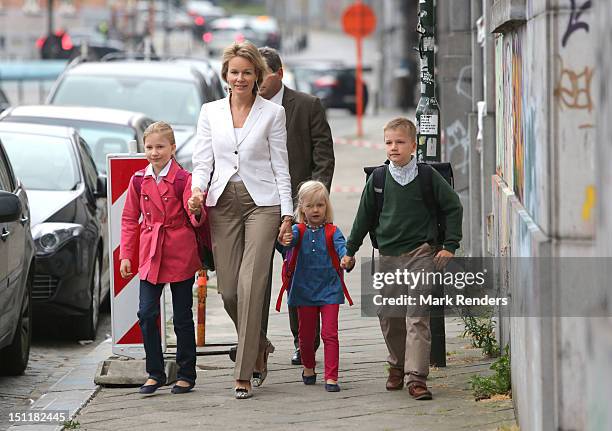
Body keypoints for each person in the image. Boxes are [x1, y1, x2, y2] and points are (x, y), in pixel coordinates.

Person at [188, 41, 293, 399]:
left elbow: (281, 165)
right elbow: (202, 161)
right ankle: (259, 344)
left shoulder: (272, 114)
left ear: (257, 75)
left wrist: (288, 213)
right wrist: (198, 190)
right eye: (235, 72)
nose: (241, 77)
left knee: (252, 285)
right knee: (230, 290)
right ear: (226, 75)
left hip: (262, 204)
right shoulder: (210, 112)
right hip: (222, 204)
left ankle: (244, 371)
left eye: (248, 72)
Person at [341, 117, 463, 400]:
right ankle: (397, 365)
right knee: (390, 316)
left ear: (413, 145)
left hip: (421, 253)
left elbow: (453, 206)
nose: (393, 148)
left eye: (399, 142)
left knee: (416, 316)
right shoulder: (379, 180)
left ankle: (416, 377)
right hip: (388, 256)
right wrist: (349, 251)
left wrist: (450, 245)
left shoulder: (427, 176)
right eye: (388, 142)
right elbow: (363, 218)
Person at [258, 46, 335, 366]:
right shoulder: (244, 107)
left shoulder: (307, 106)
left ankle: (303, 342)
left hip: (299, 209)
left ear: (279, 74)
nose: (256, 81)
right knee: (256, 281)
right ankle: (255, 342)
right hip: (260, 207)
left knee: (298, 277)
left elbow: (323, 156)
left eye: (262, 74)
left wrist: (312, 204)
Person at [120, 121, 203, 395]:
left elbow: (195, 218)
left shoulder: (183, 179)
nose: (154, 152)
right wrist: (126, 255)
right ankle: (154, 372)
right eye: (149, 147)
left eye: (160, 147)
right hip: (150, 251)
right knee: (146, 312)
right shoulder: (138, 180)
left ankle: (186, 374)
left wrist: (196, 209)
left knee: (182, 316)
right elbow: (130, 219)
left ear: (172, 148)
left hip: (179, 249)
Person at [278, 181, 350, 392]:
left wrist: (347, 258)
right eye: (310, 206)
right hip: (303, 290)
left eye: (320, 205)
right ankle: (308, 367)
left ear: (327, 206)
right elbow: (288, 243)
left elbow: (342, 249)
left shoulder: (333, 231)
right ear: (301, 208)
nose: (316, 210)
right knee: (306, 337)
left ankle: (331, 377)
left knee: (330, 334)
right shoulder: (297, 230)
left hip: (330, 290)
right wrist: (285, 238)